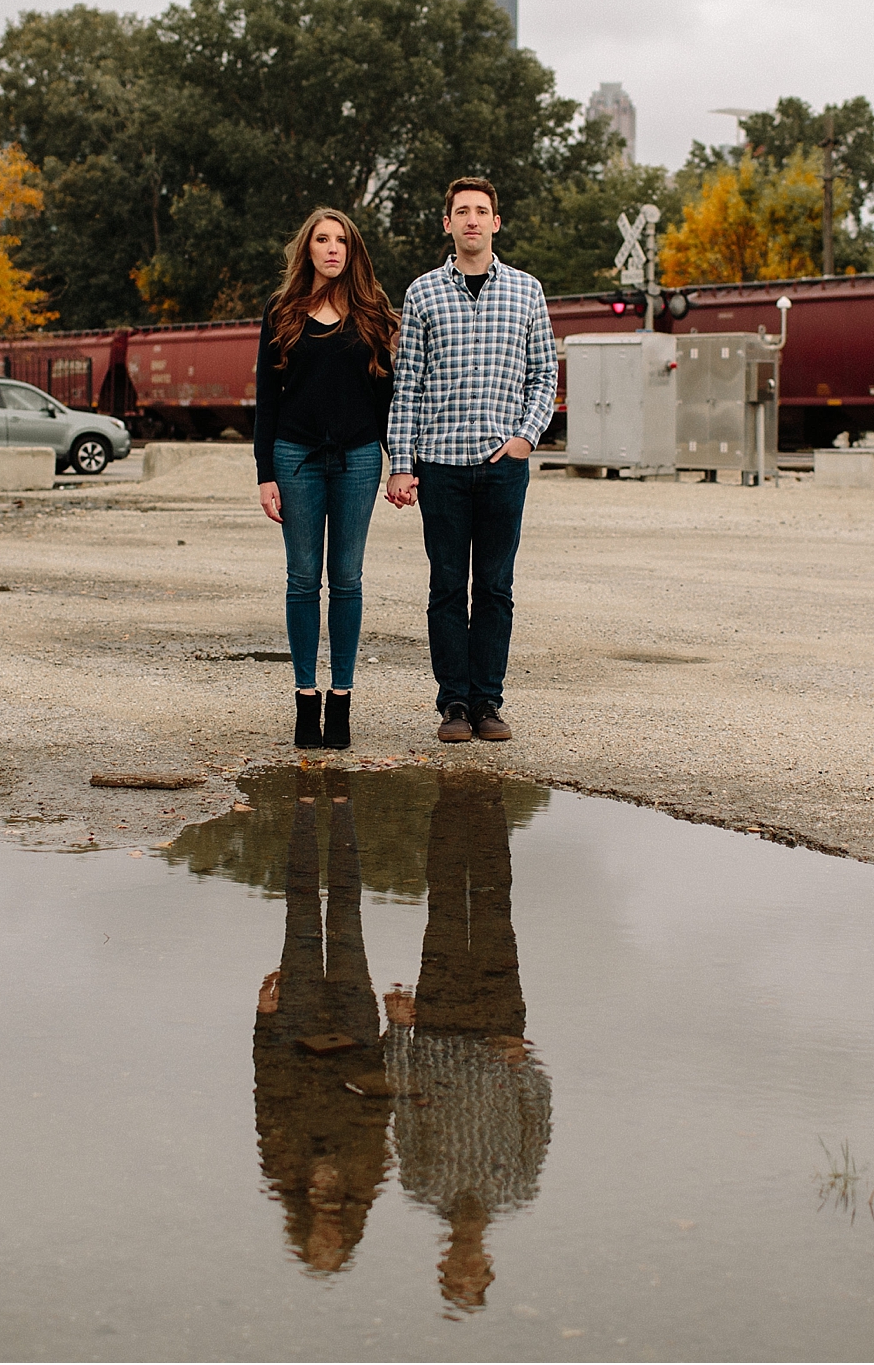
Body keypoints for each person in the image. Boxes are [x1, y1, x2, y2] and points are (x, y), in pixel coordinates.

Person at [385, 177, 555, 742]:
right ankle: (453, 705)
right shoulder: (422, 293)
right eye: (462, 212)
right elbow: (407, 384)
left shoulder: (527, 291)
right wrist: (402, 464)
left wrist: (526, 437)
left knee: (496, 588)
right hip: (441, 465)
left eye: (482, 211)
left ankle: (488, 702)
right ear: (448, 224)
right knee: (446, 587)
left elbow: (543, 375)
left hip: (503, 464)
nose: (473, 220)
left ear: (496, 223)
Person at [386, 774, 551, 1311]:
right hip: (501, 1029)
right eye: (470, 1274)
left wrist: (400, 1028)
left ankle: (457, 802)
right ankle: (487, 806)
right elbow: (539, 1112)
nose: (463, 1265)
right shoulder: (519, 1191)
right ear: (485, 1265)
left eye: (457, 1275)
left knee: (446, 910)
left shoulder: (419, 1184)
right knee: (493, 910)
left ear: (445, 1265)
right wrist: (524, 1065)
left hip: (436, 1024)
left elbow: (402, 1101)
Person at [254, 206, 400, 750]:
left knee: (347, 580)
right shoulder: (282, 310)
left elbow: (387, 398)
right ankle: (304, 698)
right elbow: (267, 400)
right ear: (307, 249)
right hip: (295, 458)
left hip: (359, 459)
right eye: (322, 239)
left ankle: (341, 699)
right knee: (301, 578)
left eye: (341, 240)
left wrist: (400, 464)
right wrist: (264, 473)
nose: (333, 248)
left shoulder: (373, 313)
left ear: (352, 250)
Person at [252, 776, 391, 1272]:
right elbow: (384, 1102)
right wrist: (395, 1033)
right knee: (346, 913)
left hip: (291, 1034)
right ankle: (341, 806)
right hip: (355, 1035)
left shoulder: (280, 1171)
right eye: (332, 1248)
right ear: (345, 1239)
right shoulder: (370, 1176)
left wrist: (264, 1020)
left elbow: (266, 1093)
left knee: (302, 911)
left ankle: (308, 807)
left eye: (319, 1248)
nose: (326, 1239)